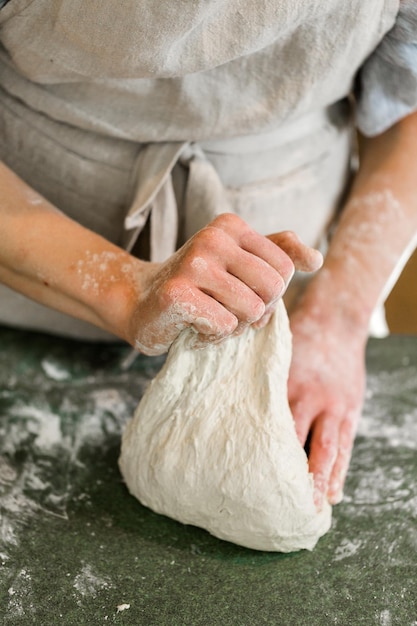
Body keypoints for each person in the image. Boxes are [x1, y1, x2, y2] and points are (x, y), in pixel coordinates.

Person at [1, 1, 417, 510]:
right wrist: (121, 285)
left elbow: (409, 106)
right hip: (24, 276)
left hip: (300, 293)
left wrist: (338, 314)